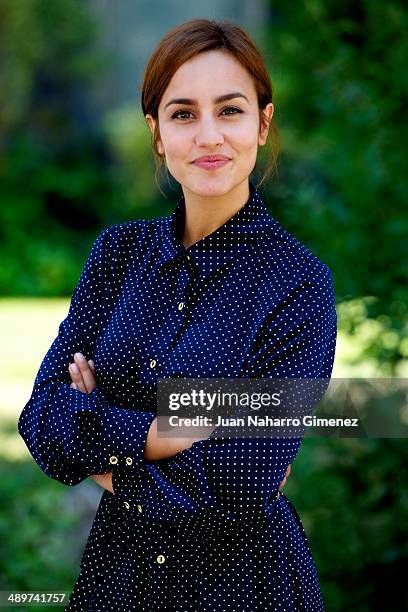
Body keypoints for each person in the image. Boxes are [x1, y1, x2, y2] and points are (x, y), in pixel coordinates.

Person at [18, 18, 337, 611]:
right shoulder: (117, 256)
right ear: (157, 134)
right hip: (117, 581)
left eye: (231, 110)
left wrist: (98, 441)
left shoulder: (298, 286)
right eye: (183, 113)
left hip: (242, 586)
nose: (209, 135)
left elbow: (245, 480)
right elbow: (41, 419)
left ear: (263, 125)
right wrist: (158, 434)